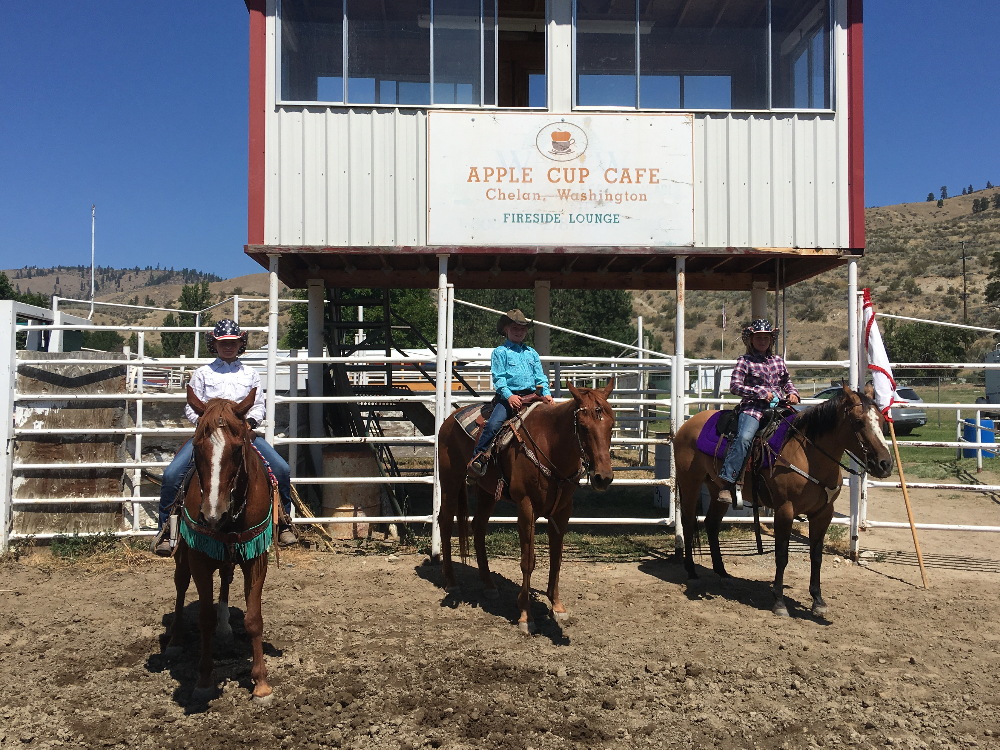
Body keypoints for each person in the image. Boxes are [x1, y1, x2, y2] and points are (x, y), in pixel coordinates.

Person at [152, 319, 297, 556]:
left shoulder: (250, 374)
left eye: (233, 342)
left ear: (240, 344)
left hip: (242, 435)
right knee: (171, 475)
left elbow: (258, 404)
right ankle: (166, 531)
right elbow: (191, 407)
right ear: (214, 345)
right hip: (209, 437)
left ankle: (283, 523)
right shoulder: (202, 373)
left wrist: (249, 423)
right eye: (223, 343)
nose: (228, 347)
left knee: (281, 469)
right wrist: (205, 424)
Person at [718, 319, 800, 506]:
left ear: (771, 340)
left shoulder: (778, 361)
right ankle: (729, 482)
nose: (762, 340)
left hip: (781, 407)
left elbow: (786, 382)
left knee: (801, 430)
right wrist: (761, 393)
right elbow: (735, 386)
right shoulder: (744, 361)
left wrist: (793, 393)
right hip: (754, 408)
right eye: (758, 337)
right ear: (751, 340)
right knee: (745, 438)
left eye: (766, 337)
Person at [468, 309, 553, 478]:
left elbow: (540, 376)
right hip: (509, 398)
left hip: (532, 396)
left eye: (522, 329)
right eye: (515, 328)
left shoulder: (532, 353)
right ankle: (478, 458)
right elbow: (499, 379)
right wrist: (509, 396)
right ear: (506, 329)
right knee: (493, 425)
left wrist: (547, 393)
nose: (519, 332)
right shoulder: (500, 352)